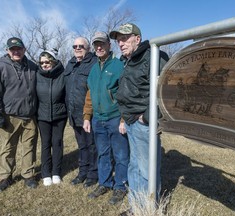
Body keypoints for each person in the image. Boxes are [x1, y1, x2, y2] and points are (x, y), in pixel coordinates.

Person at [109, 23, 169, 214]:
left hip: (144, 122)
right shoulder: (127, 60)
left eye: (125, 38)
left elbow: (165, 90)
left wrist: (147, 117)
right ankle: (137, 206)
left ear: (137, 38)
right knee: (134, 166)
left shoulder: (153, 55)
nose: (121, 43)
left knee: (146, 169)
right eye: (118, 39)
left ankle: (150, 208)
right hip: (130, 121)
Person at [83, 31, 129, 205]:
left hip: (115, 118)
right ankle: (104, 183)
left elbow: (125, 95)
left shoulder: (119, 66)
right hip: (98, 119)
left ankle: (120, 187)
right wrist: (87, 116)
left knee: (121, 155)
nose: (99, 47)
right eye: (96, 44)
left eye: (102, 43)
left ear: (109, 45)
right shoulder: (94, 69)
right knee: (103, 154)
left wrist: (124, 119)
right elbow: (89, 95)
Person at [0, 37, 39, 192]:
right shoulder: (0, 67)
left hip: (30, 116)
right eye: (13, 49)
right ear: (8, 51)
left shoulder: (33, 67)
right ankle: (5, 177)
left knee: (29, 147)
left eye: (19, 48)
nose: (16, 51)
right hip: (9, 116)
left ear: (24, 49)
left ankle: (28, 175)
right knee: (7, 149)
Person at [64, 37, 98, 188]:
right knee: (82, 145)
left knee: (92, 145)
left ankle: (93, 174)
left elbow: (94, 89)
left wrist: (88, 114)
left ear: (88, 48)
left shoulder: (94, 63)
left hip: (88, 115)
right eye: (75, 46)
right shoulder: (70, 64)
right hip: (73, 114)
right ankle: (82, 172)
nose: (78, 48)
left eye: (81, 46)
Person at [36, 48, 67, 186]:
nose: (44, 65)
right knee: (45, 144)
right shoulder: (37, 75)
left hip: (59, 115)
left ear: (53, 61)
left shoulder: (62, 74)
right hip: (42, 115)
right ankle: (46, 173)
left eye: (47, 62)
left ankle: (56, 172)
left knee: (57, 143)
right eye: (42, 63)